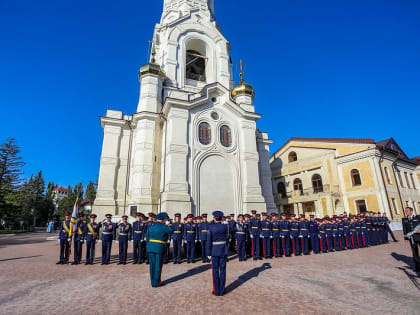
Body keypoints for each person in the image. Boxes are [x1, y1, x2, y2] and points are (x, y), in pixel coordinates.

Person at [145, 212, 173, 287]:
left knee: (152, 266)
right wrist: (169, 223)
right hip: (159, 247)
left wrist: (149, 246)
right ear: (163, 219)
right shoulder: (163, 227)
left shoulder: (151, 227)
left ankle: (153, 282)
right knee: (158, 265)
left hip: (151, 247)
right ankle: (157, 282)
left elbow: (147, 238)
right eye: (165, 219)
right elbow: (171, 230)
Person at [207, 210, 229, 296]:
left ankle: (217, 291)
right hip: (223, 250)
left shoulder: (211, 227)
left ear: (214, 218)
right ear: (221, 218)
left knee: (215, 271)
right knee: (223, 271)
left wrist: (208, 253)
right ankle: (222, 290)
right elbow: (227, 238)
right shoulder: (225, 227)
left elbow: (209, 241)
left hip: (214, 251)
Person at [402, 207, 420, 272]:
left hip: (419, 236)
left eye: (407, 211)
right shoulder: (404, 219)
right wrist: (406, 237)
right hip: (412, 238)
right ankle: (418, 267)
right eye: (405, 211)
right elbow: (405, 229)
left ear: (411, 211)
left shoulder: (418, 217)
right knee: (415, 253)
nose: (406, 212)